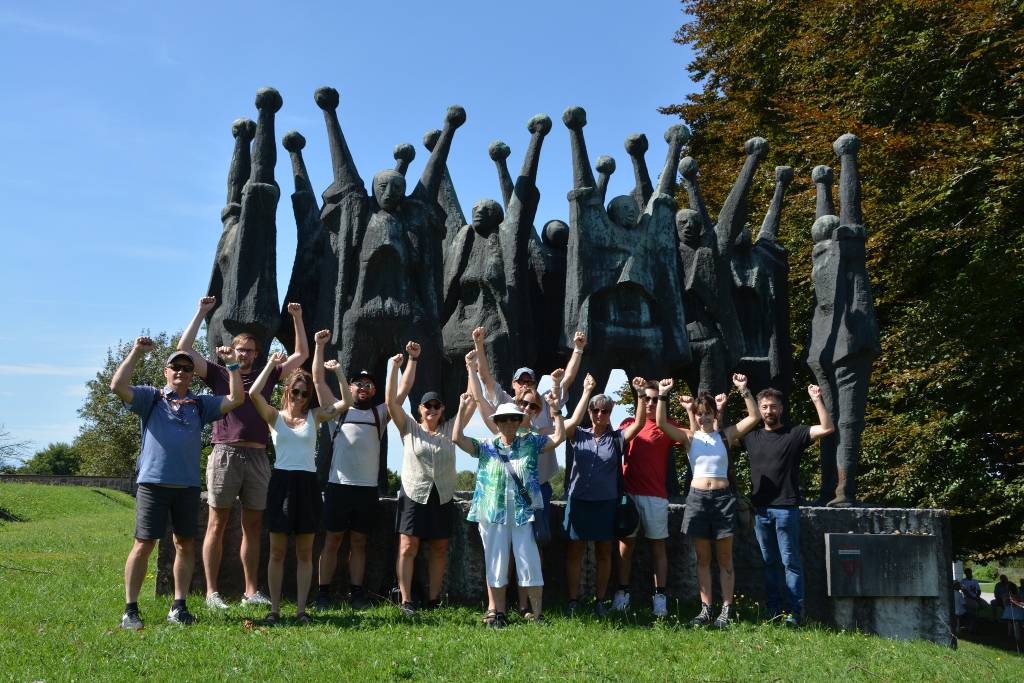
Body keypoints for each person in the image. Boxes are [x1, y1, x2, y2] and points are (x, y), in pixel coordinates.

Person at [177, 296, 309, 609]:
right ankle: (212, 593)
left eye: (249, 350)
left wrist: (297, 317)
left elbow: (302, 354)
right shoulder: (218, 373)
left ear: (257, 354)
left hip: (258, 455)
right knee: (216, 524)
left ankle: (251, 592)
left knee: (252, 526)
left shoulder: (269, 373)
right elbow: (184, 348)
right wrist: (201, 312)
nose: (244, 354)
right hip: (224, 452)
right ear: (233, 351)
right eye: (240, 349)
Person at [111, 338, 244, 629]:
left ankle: (178, 606)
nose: (182, 371)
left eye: (187, 367)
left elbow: (236, 399)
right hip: (153, 484)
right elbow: (117, 386)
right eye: (176, 367)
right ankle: (130, 610)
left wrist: (232, 364)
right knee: (143, 545)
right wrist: (136, 353)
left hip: (186, 486)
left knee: (184, 545)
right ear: (166, 372)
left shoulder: (199, 404)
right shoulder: (152, 398)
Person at [248, 335, 351, 625]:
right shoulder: (274, 417)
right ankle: (275, 611)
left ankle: (301, 611)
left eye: (305, 393)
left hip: (307, 485)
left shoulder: (315, 417)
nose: (300, 397)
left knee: (305, 553)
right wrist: (271, 364)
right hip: (281, 484)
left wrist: (338, 372)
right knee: (278, 552)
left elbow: (346, 402)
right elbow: (254, 394)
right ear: (287, 392)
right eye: (295, 391)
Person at [314, 340, 416, 610]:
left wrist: (411, 360)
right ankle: (323, 593)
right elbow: (318, 381)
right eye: (358, 383)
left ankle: (356, 594)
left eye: (368, 384)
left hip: (367, 488)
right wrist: (318, 347)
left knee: (359, 541)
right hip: (338, 486)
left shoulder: (379, 413)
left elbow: (403, 390)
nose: (364, 387)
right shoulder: (338, 411)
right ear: (349, 388)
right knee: (333, 540)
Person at [654, 374, 761, 628]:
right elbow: (660, 423)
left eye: (707, 413)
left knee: (725, 559)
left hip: (723, 500)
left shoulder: (726, 436)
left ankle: (726, 610)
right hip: (698, 500)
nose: (703, 418)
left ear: (715, 414)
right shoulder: (690, 438)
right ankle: (705, 609)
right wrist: (662, 394)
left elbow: (754, 418)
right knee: (702, 559)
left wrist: (744, 390)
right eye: (699, 413)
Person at [454, 394, 565, 628]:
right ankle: (499, 613)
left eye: (514, 418)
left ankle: (536, 614)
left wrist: (556, 412)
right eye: (504, 419)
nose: (509, 423)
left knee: (530, 562)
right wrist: (463, 409)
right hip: (493, 513)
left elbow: (558, 438)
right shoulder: (486, 446)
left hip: (524, 513)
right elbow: (457, 438)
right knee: (496, 562)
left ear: (519, 420)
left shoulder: (531, 442)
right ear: (496, 422)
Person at [386, 346, 475, 615]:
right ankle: (406, 600)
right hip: (414, 493)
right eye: (428, 406)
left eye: (437, 406)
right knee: (407, 545)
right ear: (420, 409)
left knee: (439, 547)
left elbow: (470, 400)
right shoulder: (409, 428)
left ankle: (434, 600)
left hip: (443, 494)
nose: (432, 410)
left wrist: (471, 366)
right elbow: (391, 402)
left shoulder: (450, 429)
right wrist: (397, 366)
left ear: (443, 409)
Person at [740, 385, 834, 627]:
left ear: (781, 408)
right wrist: (740, 393)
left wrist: (817, 399)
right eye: (764, 407)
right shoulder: (751, 436)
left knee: (790, 562)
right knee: (769, 563)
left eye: (773, 406)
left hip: (786, 509)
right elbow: (721, 434)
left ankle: (795, 612)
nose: (769, 410)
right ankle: (773, 611)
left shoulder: (795, 433)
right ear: (759, 410)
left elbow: (827, 428)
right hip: (760, 510)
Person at [562, 375, 646, 616]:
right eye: (596, 410)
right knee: (575, 552)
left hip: (606, 504)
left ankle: (600, 601)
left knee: (603, 552)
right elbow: (568, 424)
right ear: (590, 412)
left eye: (605, 411)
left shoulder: (617, 438)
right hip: (578, 501)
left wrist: (640, 394)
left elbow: (639, 424)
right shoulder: (577, 434)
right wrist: (587, 391)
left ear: (611, 412)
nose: (600, 415)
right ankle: (572, 601)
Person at [613, 379, 684, 617]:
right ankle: (622, 593)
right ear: (639, 399)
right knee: (625, 546)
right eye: (646, 398)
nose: (651, 403)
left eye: (655, 399)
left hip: (656, 496)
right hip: (629, 496)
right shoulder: (628, 423)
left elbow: (692, 438)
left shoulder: (667, 426)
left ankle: (660, 597)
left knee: (657, 547)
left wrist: (692, 411)